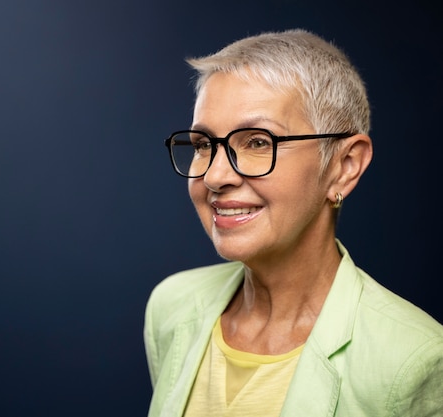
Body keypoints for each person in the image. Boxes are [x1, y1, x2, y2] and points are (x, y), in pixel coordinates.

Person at [144, 29, 443, 417]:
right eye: (203, 145)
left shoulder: (412, 359)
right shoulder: (172, 308)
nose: (216, 176)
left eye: (257, 142)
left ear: (344, 166)